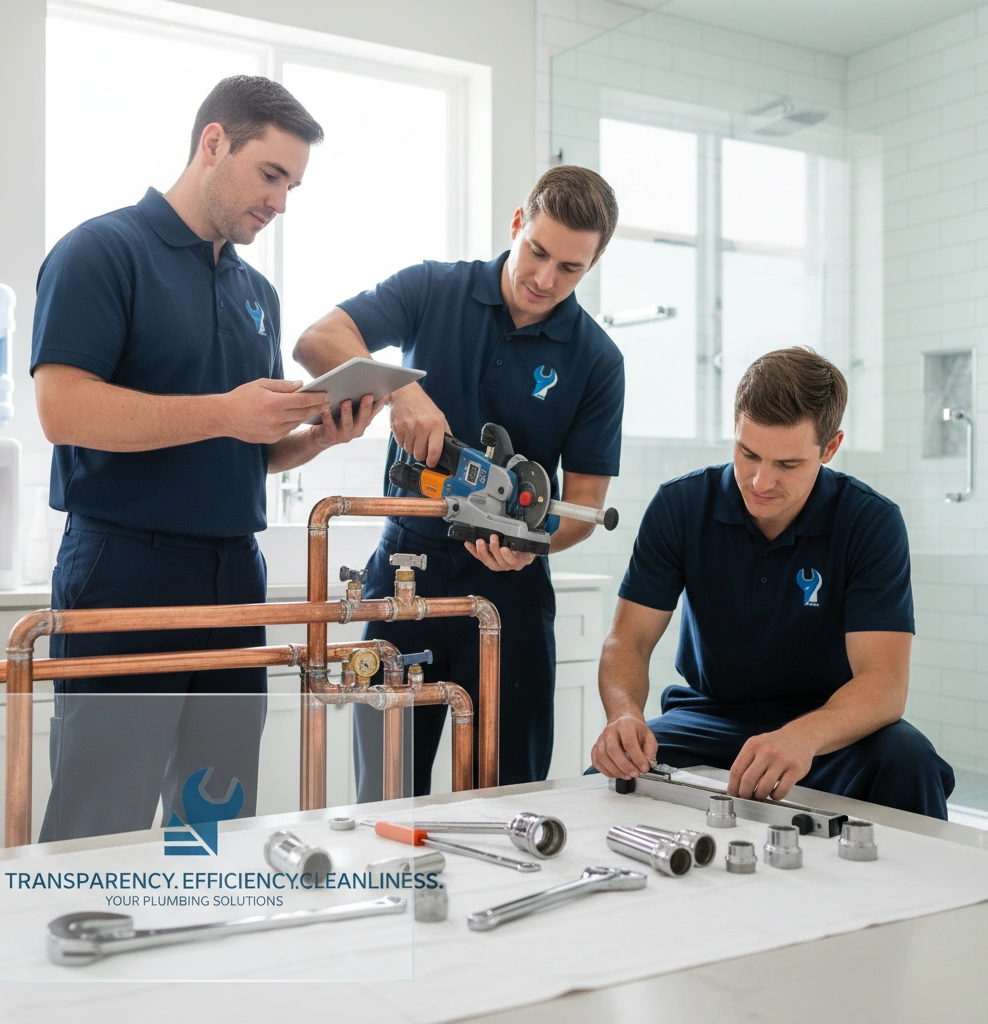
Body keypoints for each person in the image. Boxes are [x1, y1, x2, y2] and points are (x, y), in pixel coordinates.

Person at [31, 76, 378, 842]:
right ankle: (79, 952)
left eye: (293, 184)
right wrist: (227, 410)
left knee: (214, 816)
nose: (281, 202)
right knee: (102, 819)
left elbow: (240, 454)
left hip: (233, 574)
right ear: (213, 143)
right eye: (271, 175)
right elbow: (62, 411)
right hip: (125, 570)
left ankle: (191, 954)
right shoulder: (101, 251)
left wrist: (316, 436)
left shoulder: (257, 291)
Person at [295, 166, 625, 797]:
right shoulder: (432, 289)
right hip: (402, 572)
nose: (544, 279)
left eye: (571, 269)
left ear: (595, 262)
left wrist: (526, 545)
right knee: (386, 796)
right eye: (537, 251)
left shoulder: (597, 360)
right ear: (516, 225)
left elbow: (584, 507)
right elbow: (317, 341)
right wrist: (401, 392)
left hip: (512, 595)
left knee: (509, 798)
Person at [590, 347, 954, 818]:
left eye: (788, 465)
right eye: (748, 453)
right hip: (709, 716)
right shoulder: (680, 506)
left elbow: (883, 682)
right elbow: (628, 641)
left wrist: (803, 736)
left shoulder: (871, 522)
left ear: (830, 448)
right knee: (605, 786)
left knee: (910, 762)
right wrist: (624, 714)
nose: (761, 481)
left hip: (828, 722)